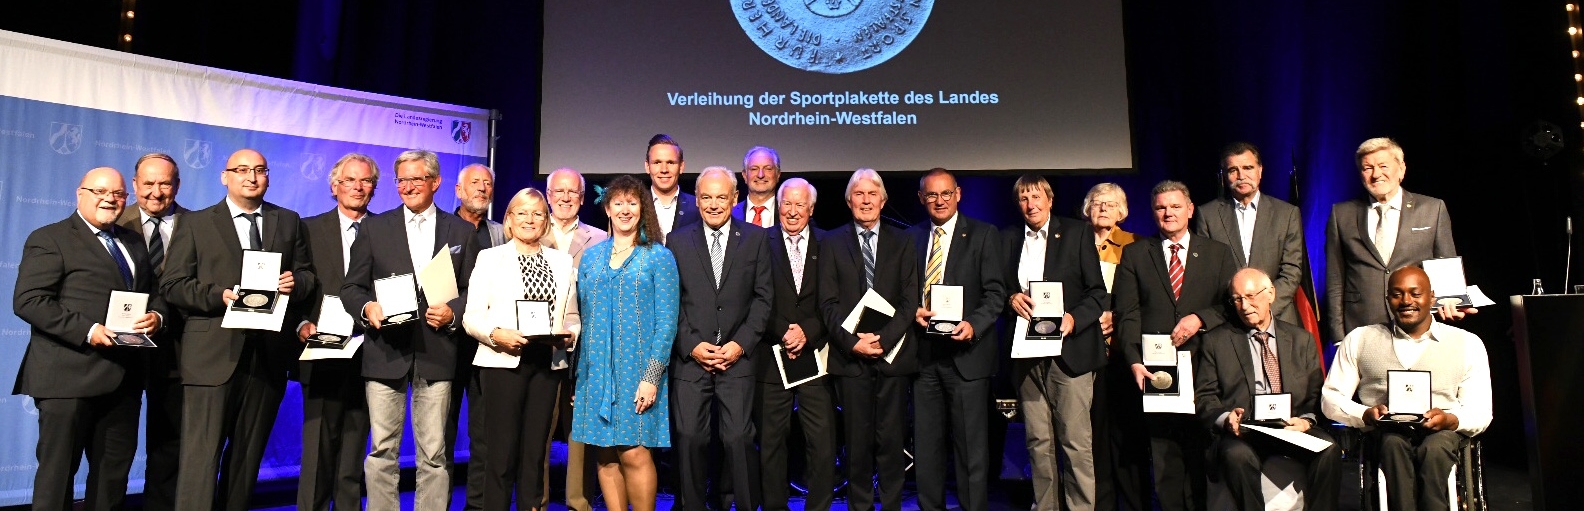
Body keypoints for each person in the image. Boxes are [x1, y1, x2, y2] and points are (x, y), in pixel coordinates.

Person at [161, 149, 317, 511]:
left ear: (269, 176)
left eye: (260, 170)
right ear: (224, 176)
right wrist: (220, 296)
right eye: (242, 170)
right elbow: (173, 285)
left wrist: (298, 283)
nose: (252, 177)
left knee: (247, 462)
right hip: (211, 357)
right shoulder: (196, 223)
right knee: (200, 462)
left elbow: (309, 276)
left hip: (267, 357)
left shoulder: (289, 220)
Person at [14, 167, 164, 511]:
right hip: (66, 379)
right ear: (79, 194)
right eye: (100, 191)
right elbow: (29, 301)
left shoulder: (133, 241)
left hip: (124, 380)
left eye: (118, 194)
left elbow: (152, 294)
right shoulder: (50, 238)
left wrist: (157, 317)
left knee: (112, 479)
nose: (110, 199)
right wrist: (88, 330)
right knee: (57, 478)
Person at [341, 149, 482, 511]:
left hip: (437, 353)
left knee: (434, 454)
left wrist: (452, 314)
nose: (407, 187)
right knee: (381, 449)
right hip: (385, 351)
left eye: (416, 179)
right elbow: (352, 287)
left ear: (434, 182)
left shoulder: (462, 231)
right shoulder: (374, 227)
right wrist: (366, 307)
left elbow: (473, 291)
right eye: (401, 180)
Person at [1322, 265, 1491, 511]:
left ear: (1432, 297)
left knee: (1435, 449)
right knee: (1392, 444)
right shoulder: (1360, 339)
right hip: (1386, 431)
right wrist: (1364, 415)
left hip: (1442, 432)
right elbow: (1331, 398)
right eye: (1397, 294)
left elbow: (1480, 411)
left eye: (1415, 293)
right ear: (1387, 298)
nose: (1406, 301)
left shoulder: (1467, 343)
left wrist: (1450, 420)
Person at [1113, 180, 1237, 511]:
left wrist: (1200, 318)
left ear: (1190, 209)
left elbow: (1231, 306)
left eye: (1175, 206)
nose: (1168, 213)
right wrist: (1134, 361)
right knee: (1165, 455)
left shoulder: (1218, 253)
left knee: (1201, 450)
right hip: (1156, 371)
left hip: (1204, 368)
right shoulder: (1136, 254)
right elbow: (1127, 314)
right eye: (1160, 207)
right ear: (1153, 212)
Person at [463, 188, 581, 511]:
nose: (530, 219)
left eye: (538, 214)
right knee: (500, 457)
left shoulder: (562, 261)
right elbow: (471, 316)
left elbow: (571, 316)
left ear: (546, 222)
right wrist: (495, 334)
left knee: (535, 456)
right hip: (502, 363)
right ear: (509, 221)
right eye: (522, 213)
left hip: (547, 364)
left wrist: (569, 334)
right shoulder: (490, 258)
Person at [667, 166, 773, 511]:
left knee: (739, 438)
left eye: (721, 197)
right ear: (697, 201)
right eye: (707, 197)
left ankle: (743, 505)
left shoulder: (756, 238)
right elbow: (671, 302)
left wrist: (739, 344)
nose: (714, 205)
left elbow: (763, 299)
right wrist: (692, 345)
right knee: (689, 438)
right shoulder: (678, 241)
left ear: (735, 198)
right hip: (691, 359)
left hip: (737, 358)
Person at [572, 174, 679, 511]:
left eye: (632, 202)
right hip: (597, 374)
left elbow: (666, 324)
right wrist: (581, 377)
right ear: (607, 207)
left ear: (642, 208)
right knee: (605, 457)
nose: (625, 209)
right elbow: (584, 320)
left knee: (633, 453)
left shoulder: (658, 257)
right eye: (618, 202)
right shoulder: (591, 258)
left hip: (639, 375)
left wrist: (651, 377)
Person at [1002, 174, 1109, 511]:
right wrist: (1010, 298)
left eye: (1036, 197)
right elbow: (999, 287)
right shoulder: (1007, 239)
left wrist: (1074, 319)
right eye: (1023, 198)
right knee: (1037, 441)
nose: (1030, 204)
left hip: (1070, 352)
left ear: (1049, 200)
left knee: (1075, 443)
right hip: (1027, 354)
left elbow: (1097, 293)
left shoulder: (1076, 232)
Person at [1194, 268, 1340, 511]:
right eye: (1237, 299)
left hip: (1290, 428)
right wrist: (1226, 419)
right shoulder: (1216, 341)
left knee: (1330, 450)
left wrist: (1305, 421)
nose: (1244, 305)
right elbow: (1205, 398)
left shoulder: (1301, 339)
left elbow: (1315, 395)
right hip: (1243, 431)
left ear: (1271, 293)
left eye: (1251, 296)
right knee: (1237, 457)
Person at [818, 168, 920, 511]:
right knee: (857, 445)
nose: (865, 201)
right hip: (850, 360)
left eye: (872, 194)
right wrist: (853, 343)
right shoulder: (831, 242)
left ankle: (891, 506)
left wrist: (883, 339)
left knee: (891, 442)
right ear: (849, 202)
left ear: (884, 200)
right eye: (858, 195)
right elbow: (827, 303)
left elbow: (910, 300)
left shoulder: (904, 240)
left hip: (893, 357)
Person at [908, 168, 1006, 511]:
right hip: (924, 358)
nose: (939, 201)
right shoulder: (912, 237)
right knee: (927, 448)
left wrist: (974, 324)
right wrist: (912, 312)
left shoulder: (982, 234)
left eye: (945, 194)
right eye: (931, 195)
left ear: (958, 194)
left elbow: (996, 293)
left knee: (970, 450)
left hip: (968, 356)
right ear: (921, 198)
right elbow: (902, 292)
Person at [294, 153, 379, 511]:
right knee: (317, 448)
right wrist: (299, 324)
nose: (357, 187)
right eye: (349, 180)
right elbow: (296, 283)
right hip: (321, 349)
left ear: (374, 187)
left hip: (371, 351)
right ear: (334, 186)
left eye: (365, 181)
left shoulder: (387, 228)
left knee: (355, 446)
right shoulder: (307, 229)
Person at [1325, 137, 1464, 343]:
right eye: (1367, 168)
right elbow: (1335, 279)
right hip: (1362, 326)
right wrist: (1338, 335)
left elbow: (1444, 262)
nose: (1376, 174)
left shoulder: (1432, 209)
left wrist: (1452, 300)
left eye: (1383, 166)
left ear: (1401, 169)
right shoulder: (1341, 214)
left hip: (1419, 325)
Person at [754, 177, 837, 511]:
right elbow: (753, 297)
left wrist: (807, 331)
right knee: (771, 442)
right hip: (771, 355)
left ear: (812, 208)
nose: (792, 211)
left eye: (800, 204)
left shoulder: (829, 244)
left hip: (815, 354)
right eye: (786, 203)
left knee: (822, 441)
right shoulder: (760, 241)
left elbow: (836, 299)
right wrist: (783, 331)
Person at [114, 152, 186, 511]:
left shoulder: (198, 224)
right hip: (118, 354)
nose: (156, 192)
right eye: (148, 184)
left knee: (168, 445)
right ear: (134, 185)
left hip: (177, 353)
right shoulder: (113, 222)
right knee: (114, 446)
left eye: (165, 183)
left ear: (177, 185)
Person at [542, 167, 608, 511]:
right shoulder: (531, 230)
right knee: (539, 426)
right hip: (540, 345)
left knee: (580, 430)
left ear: (582, 199)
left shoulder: (599, 238)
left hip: (586, 348)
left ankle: (578, 502)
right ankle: (535, 499)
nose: (565, 198)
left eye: (573, 192)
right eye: (559, 191)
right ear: (548, 195)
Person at [1082, 182, 1149, 511]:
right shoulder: (1074, 242)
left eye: (1110, 203)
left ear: (1123, 211)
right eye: (1096, 202)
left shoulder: (1135, 245)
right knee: (1092, 436)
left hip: (1124, 353)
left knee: (1126, 435)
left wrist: (1117, 317)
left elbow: (1144, 296)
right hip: (1084, 350)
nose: (1103, 208)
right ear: (1087, 209)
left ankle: (1135, 503)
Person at [1193, 142, 1307, 325]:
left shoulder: (1287, 213)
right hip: (1229, 320)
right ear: (1224, 176)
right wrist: (1239, 308)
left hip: (1277, 317)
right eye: (1233, 170)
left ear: (1260, 171)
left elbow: (1291, 272)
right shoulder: (1208, 215)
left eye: (1248, 168)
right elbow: (1207, 274)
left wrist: (1263, 309)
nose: (1241, 176)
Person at [452, 162, 504, 511]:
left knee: (485, 435)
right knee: (438, 435)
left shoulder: (501, 233)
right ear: (458, 190)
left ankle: (478, 505)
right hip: (447, 346)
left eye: (487, 184)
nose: (482, 189)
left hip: (488, 348)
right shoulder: (442, 228)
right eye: (474, 183)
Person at [645, 134, 699, 239]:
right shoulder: (636, 206)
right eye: (657, 162)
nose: (664, 169)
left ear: (681, 167)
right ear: (647, 167)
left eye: (670, 162)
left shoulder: (697, 206)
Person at [732, 146, 780, 228]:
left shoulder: (788, 213)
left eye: (768, 169)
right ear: (744, 175)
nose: (760, 175)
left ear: (778, 175)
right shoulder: (731, 213)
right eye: (754, 169)